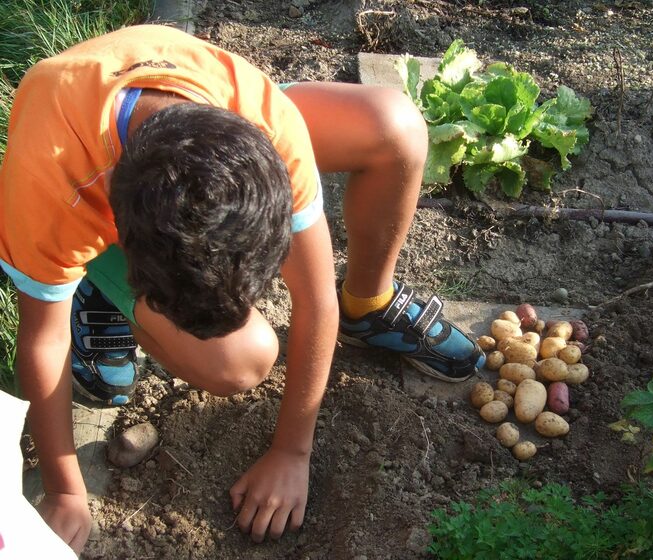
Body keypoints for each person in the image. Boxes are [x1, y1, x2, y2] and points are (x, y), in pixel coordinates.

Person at [0, 24, 485, 554]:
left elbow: (314, 292)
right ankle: (99, 287)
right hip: (89, 168)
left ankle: (368, 303)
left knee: (395, 127)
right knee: (239, 360)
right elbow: (42, 341)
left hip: (207, 119)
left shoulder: (272, 133)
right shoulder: (48, 188)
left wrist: (292, 452)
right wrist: (65, 490)